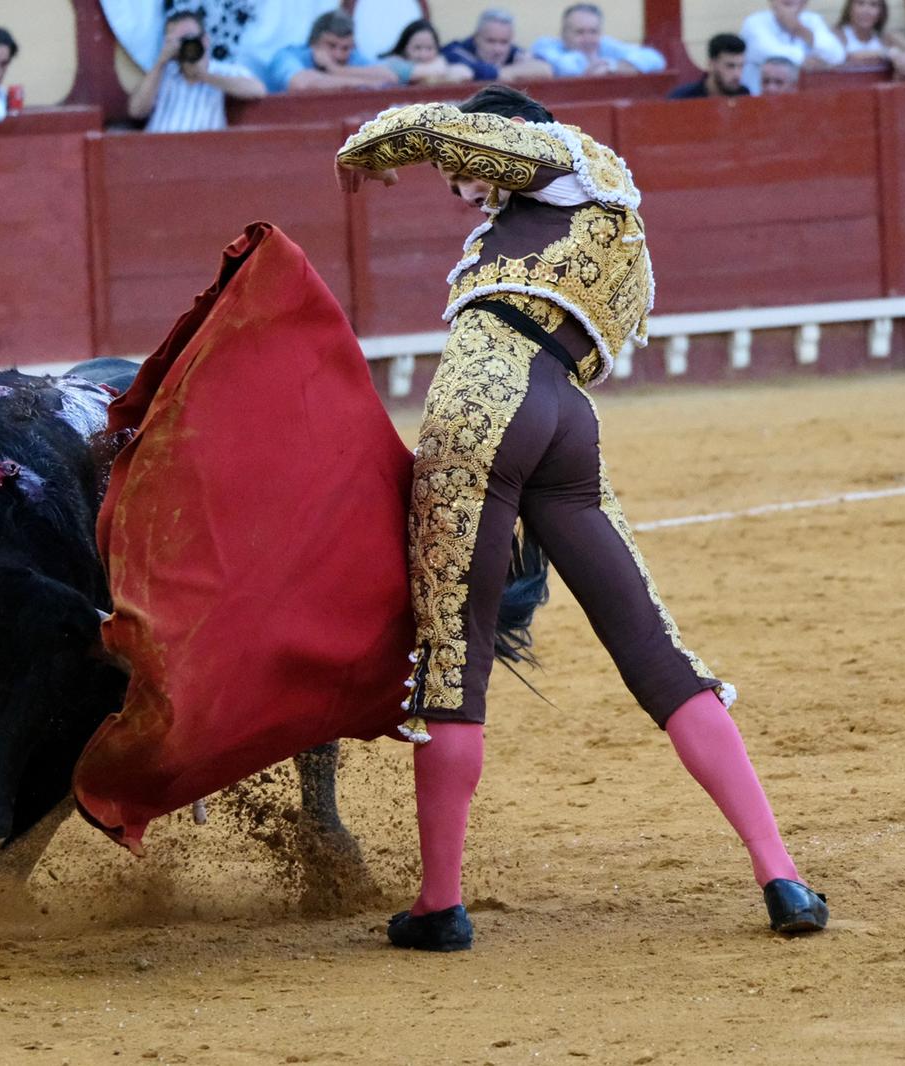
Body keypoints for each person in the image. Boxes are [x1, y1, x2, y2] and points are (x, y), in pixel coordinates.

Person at [334, 84, 828, 952]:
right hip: (565, 415)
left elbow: (441, 128)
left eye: (471, 178)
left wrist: (368, 148)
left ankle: (440, 905)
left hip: (486, 400)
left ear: (510, 133)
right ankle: (780, 874)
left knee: (454, 656)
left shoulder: (561, 155)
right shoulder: (610, 220)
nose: (468, 191)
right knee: (653, 647)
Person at [128, 8, 265, 132]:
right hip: (159, 146)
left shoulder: (221, 70)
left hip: (203, 147)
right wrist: (160, 62)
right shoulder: (162, 73)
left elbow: (257, 90)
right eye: (179, 41)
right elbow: (136, 111)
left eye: (190, 39)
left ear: (205, 40)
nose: (186, 45)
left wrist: (204, 76)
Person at [265, 10, 398, 93]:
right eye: (331, 45)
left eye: (345, 48)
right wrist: (368, 83)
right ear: (314, 43)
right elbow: (300, 85)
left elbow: (390, 78)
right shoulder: (288, 56)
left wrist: (334, 69)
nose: (338, 54)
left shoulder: (352, 56)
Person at [531, 3, 667, 76]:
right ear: (563, 33)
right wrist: (596, 64)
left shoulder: (605, 45)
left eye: (593, 32)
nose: (588, 38)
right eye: (580, 32)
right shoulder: (546, 46)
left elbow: (655, 59)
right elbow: (567, 69)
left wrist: (612, 67)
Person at [741, 0, 846, 93]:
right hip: (758, 97)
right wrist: (804, 60)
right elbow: (767, 51)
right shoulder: (754, 22)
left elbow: (837, 56)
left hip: (800, 99)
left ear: (804, 3)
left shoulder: (813, 20)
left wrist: (800, 30)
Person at [441, 8, 555, 81]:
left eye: (504, 42)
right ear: (476, 38)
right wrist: (515, 71)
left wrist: (502, 73)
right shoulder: (456, 51)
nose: (497, 49)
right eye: (491, 41)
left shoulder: (514, 52)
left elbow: (545, 69)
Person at [836, 0, 905, 75]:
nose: (866, 11)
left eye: (873, 5)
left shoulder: (885, 37)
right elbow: (844, 56)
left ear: (881, 12)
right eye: (860, 3)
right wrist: (886, 53)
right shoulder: (838, 34)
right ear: (849, 8)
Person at [381, 19, 472, 85]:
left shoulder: (441, 63)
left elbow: (465, 73)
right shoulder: (393, 63)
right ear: (404, 48)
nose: (423, 55)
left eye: (429, 48)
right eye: (417, 48)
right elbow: (425, 71)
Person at [669, 33, 752, 97]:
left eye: (741, 66)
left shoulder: (745, 95)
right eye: (730, 66)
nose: (737, 74)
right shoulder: (684, 98)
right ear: (711, 64)